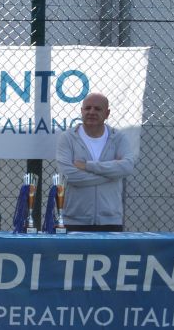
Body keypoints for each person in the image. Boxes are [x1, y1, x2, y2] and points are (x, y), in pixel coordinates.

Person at [55, 92, 137, 231]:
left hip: (110, 220)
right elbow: (69, 176)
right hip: (74, 220)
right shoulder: (67, 138)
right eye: (88, 108)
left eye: (98, 109)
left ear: (107, 113)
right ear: (82, 111)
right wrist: (112, 174)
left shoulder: (118, 138)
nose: (91, 112)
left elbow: (128, 167)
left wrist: (88, 166)